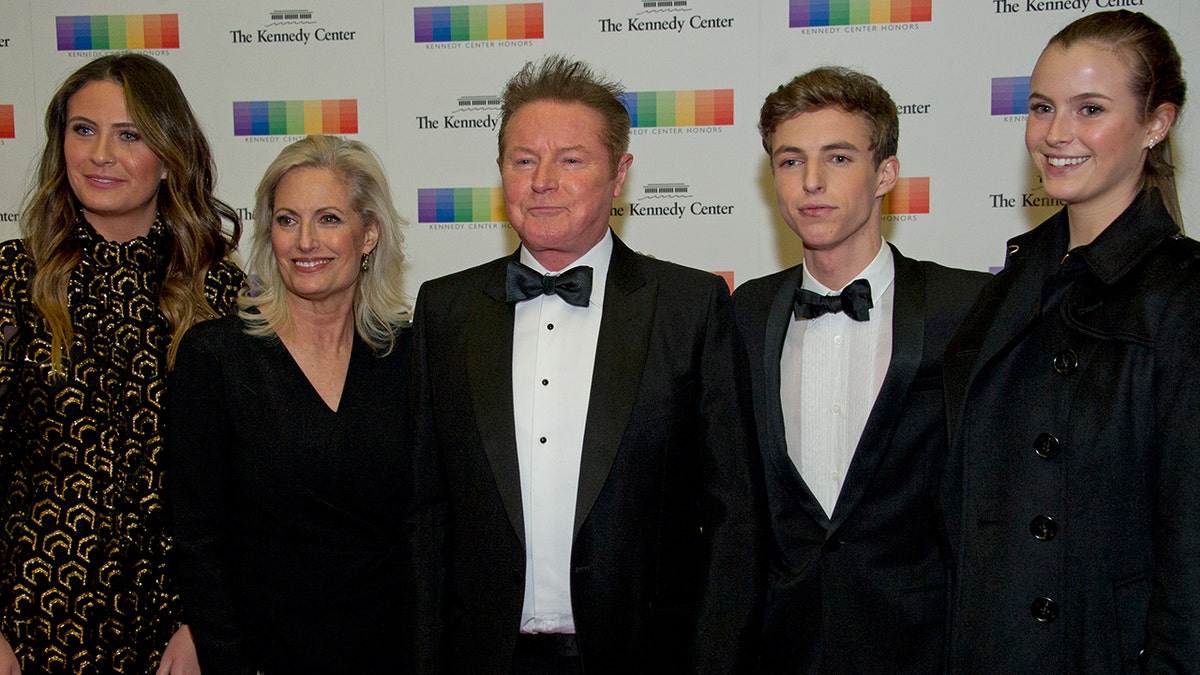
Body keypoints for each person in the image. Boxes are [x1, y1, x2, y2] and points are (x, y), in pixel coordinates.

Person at [409, 54, 764, 673]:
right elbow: (424, 513)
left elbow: (732, 516)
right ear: (501, 172)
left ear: (619, 174)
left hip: (644, 656)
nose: (542, 180)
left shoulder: (690, 306)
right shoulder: (445, 309)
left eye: (571, 160)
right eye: (524, 160)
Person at [940, 10, 1197, 672]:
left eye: (1090, 109)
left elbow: (1192, 552)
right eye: (1042, 107)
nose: (1056, 134)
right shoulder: (1005, 289)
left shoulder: (1182, 296)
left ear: (1156, 122)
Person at [731, 67, 988, 673]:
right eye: (791, 162)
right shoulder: (744, 313)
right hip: (779, 645)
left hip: (925, 645)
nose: (812, 182)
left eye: (839, 157)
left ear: (886, 173)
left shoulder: (967, 309)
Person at [0, 53, 242, 674]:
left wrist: (204, 626)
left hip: (174, 635)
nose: (100, 154)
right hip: (29, 625)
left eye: (128, 135)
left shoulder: (221, 297)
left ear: (169, 156)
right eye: (83, 130)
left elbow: (244, 488)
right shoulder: (10, 280)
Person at [167, 135, 412, 675]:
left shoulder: (409, 356)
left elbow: (429, 526)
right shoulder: (216, 357)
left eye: (328, 219)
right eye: (285, 220)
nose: (304, 241)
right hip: (261, 656)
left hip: (392, 651)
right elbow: (197, 541)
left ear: (368, 233)